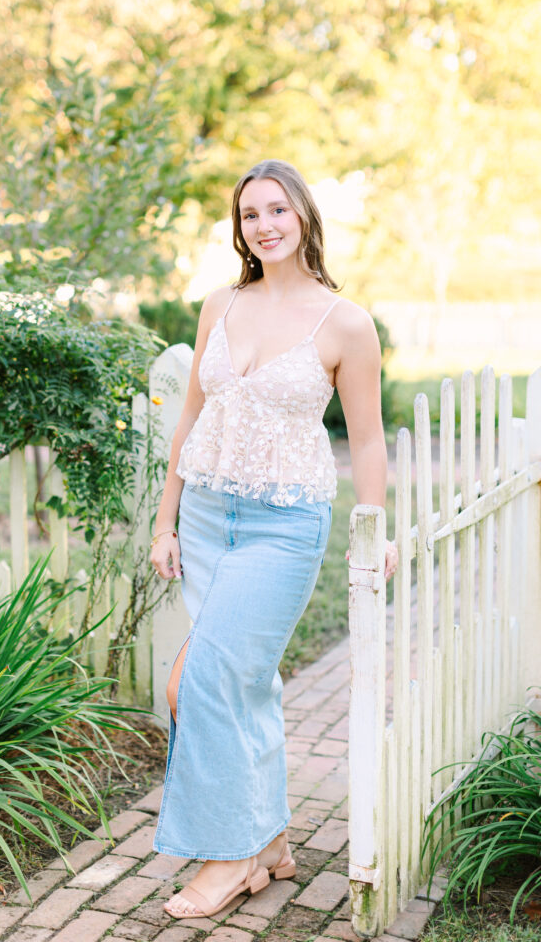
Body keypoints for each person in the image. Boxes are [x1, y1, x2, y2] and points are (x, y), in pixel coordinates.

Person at [149, 158, 397, 920]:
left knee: (196, 685)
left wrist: (374, 529)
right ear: (240, 227)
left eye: (277, 209)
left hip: (283, 526)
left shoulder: (343, 322)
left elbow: (365, 442)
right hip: (205, 517)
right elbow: (191, 418)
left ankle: (227, 861)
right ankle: (272, 843)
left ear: (303, 218)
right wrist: (164, 520)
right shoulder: (220, 304)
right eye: (250, 213)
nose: (264, 224)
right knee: (240, 688)